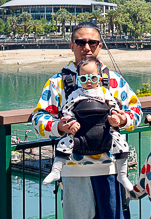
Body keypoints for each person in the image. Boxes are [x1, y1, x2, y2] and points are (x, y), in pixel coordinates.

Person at [32, 22, 147, 219]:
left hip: (110, 170)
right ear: (70, 45)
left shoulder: (114, 81)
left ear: (100, 45)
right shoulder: (58, 82)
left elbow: (137, 112)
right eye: (80, 42)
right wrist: (58, 125)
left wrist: (122, 121)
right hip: (73, 170)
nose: (86, 47)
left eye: (93, 42)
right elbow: (37, 117)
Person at [41, 56, 134, 191]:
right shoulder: (74, 94)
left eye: (93, 78)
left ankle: (123, 174)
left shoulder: (105, 93)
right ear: (79, 79)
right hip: (78, 135)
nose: (89, 82)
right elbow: (67, 110)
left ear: (100, 79)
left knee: (122, 145)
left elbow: (114, 107)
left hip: (104, 136)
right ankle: (56, 170)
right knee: (63, 144)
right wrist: (69, 123)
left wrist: (118, 119)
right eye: (84, 79)